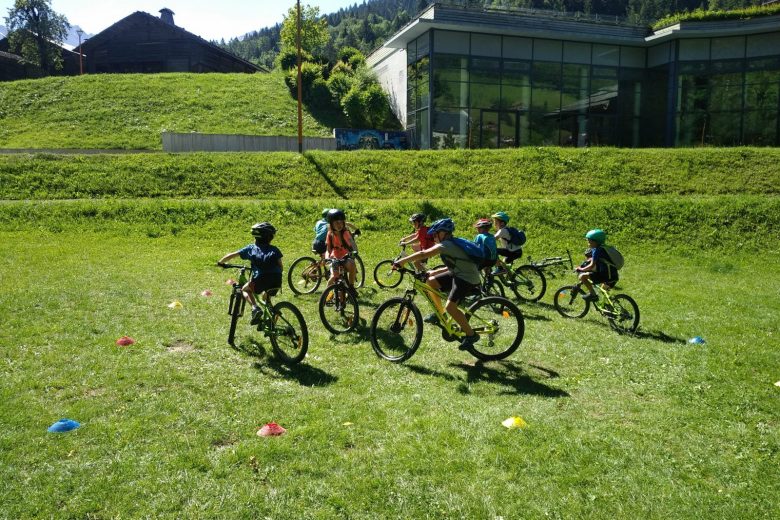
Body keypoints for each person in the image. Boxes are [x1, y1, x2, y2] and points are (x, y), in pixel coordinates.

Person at [393, 218, 480, 351]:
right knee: (431, 280)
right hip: (459, 273)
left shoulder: (446, 245)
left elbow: (423, 253)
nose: (434, 237)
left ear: (443, 233)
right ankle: (439, 314)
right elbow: (453, 266)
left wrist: (402, 261)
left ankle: (471, 335)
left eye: (435, 234)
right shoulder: (450, 244)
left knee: (451, 307)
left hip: (467, 278)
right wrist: (434, 271)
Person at [217, 222, 283, 324]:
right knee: (266, 296)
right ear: (270, 237)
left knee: (244, 289)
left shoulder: (251, 248)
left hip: (261, 278)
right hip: (277, 278)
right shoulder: (275, 249)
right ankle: (271, 316)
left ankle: (255, 308)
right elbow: (280, 266)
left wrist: (220, 262)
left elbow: (233, 255)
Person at [575, 228, 618, 301]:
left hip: (606, 276)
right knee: (604, 290)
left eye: (589, 241)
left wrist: (581, 269)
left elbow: (591, 265)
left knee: (582, 276)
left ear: (595, 242)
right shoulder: (604, 248)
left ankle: (593, 295)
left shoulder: (597, 250)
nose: (588, 243)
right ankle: (609, 307)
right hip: (613, 275)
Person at [325, 208, 357, 290]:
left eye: (341, 222)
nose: (339, 225)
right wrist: (327, 258)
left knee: (352, 265)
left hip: (345, 255)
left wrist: (355, 251)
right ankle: (325, 296)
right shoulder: (330, 234)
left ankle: (351, 286)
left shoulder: (345, 233)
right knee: (333, 277)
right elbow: (328, 249)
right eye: (336, 223)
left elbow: (351, 242)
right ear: (331, 224)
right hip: (335, 257)